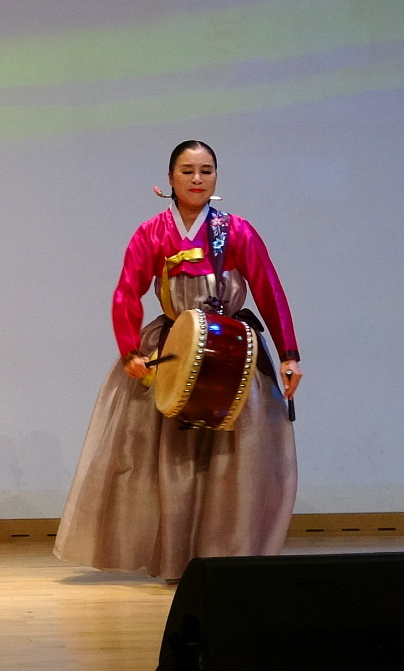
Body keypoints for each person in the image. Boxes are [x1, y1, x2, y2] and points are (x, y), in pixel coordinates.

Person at [53, 141, 303, 581]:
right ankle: (176, 559)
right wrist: (131, 350)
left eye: (207, 170)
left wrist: (289, 354)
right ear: (169, 178)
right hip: (173, 348)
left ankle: (227, 556)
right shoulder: (152, 233)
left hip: (231, 352)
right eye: (187, 171)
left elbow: (270, 290)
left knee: (232, 456)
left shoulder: (237, 231)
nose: (197, 179)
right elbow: (126, 292)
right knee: (174, 457)